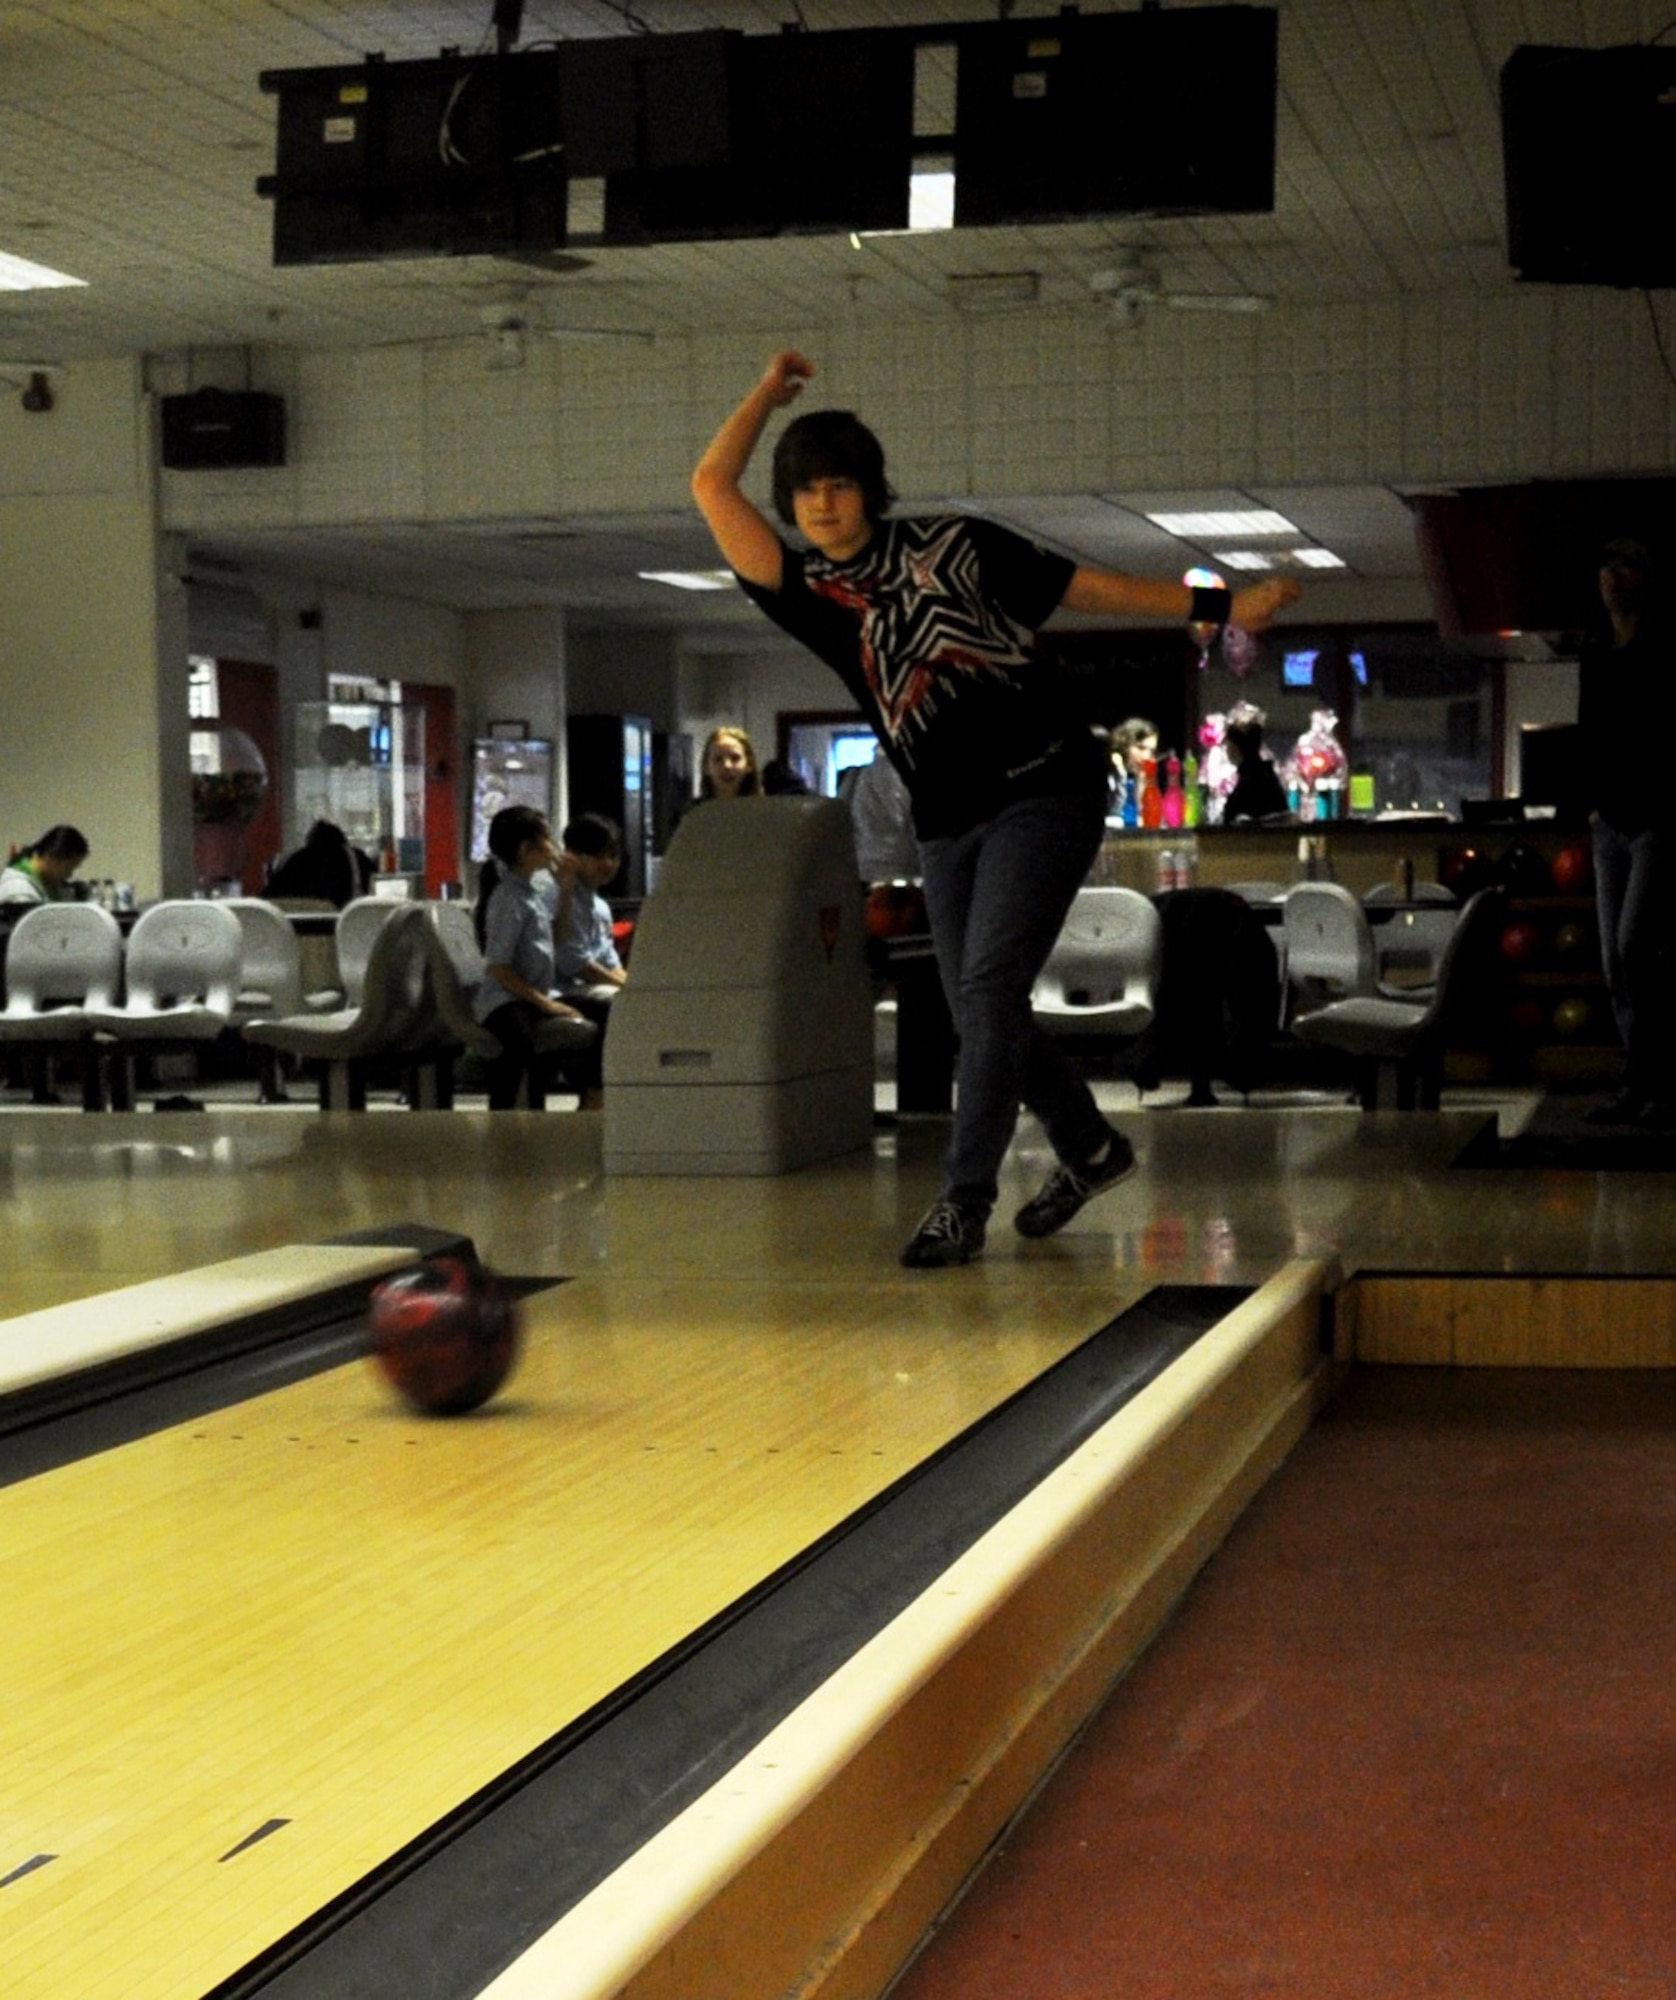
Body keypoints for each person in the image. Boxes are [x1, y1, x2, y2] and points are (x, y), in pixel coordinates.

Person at [692, 348, 1300, 1267]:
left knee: (985, 992)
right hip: (945, 817)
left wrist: (1221, 606)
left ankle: (963, 1200)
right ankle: (1090, 1146)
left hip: (1047, 784)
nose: (823, 503)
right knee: (983, 1008)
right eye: (806, 489)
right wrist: (766, 396)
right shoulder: (805, 593)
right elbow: (710, 483)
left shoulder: (955, 544)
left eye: (840, 485)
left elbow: (1091, 587)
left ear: (869, 490)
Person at [1578, 536, 1675, 1127]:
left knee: (1635, 946)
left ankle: (1654, 1081)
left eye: (1623, 566)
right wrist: (1592, 804)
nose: (1610, 577)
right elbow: (1590, 732)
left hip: (1652, 824)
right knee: (1615, 960)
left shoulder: (1661, 649)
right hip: (1609, 824)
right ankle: (1638, 1082)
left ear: (1644, 578)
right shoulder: (1597, 653)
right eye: (1605, 566)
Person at [472, 805, 588, 1111]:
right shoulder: (508, 900)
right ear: (526, 850)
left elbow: (555, 941)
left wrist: (565, 891)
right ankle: (506, 1116)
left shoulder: (529, 893)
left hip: (529, 996)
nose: (553, 846)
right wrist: (546, 1004)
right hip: (506, 1001)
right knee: (520, 1049)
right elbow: (498, 967)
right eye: (547, 839)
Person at [545, 811, 626, 1110]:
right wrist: (629, 989)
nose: (608, 864)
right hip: (558, 990)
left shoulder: (600, 907)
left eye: (613, 856)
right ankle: (595, 1093)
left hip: (584, 988)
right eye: (597, 856)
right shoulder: (558, 898)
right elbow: (575, 964)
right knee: (614, 1007)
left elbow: (609, 962)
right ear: (572, 857)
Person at [264, 819, 374, 909]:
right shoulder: (356, 859)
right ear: (342, 840)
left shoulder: (294, 860)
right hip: (344, 924)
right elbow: (375, 888)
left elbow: (267, 900)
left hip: (295, 925)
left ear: (309, 841)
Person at [2, 825, 90, 919]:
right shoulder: (18, 891)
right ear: (51, 857)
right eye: (68, 867)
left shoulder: (53, 885)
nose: (70, 874)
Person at [1221, 704, 1290, 822]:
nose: (1226, 750)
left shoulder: (1251, 782)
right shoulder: (1266, 776)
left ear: (1237, 747)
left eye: (1228, 745)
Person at [698, 725, 761, 802]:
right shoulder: (691, 809)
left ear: (749, 764)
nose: (727, 766)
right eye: (718, 759)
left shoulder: (764, 808)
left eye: (735, 758)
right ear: (706, 767)